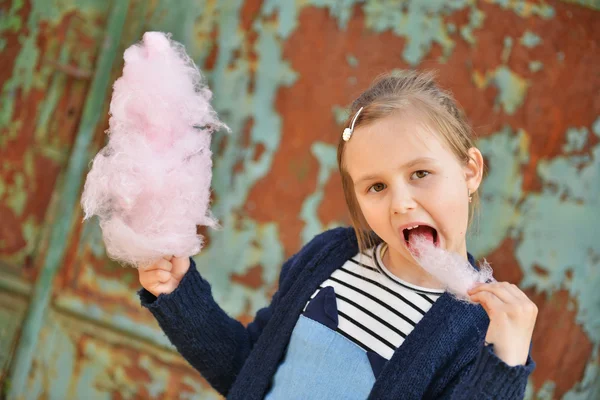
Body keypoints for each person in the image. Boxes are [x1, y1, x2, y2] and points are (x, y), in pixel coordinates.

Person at [137, 70, 537, 399]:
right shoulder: (328, 257)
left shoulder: (481, 328)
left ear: (470, 172)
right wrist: (179, 293)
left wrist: (506, 361)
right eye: (376, 187)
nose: (401, 204)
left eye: (420, 174)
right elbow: (247, 371)